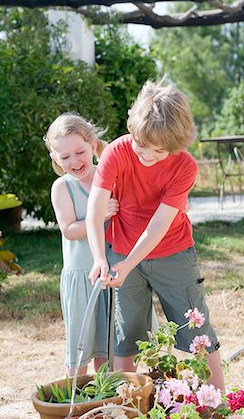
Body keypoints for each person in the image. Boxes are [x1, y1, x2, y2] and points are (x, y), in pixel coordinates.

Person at [86, 79, 225, 391]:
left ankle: (220, 409)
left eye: (158, 151)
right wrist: (100, 257)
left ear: (176, 145)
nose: (146, 155)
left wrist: (129, 263)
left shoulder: (185, 167)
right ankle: (128, 409)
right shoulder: (116, 152)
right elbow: (95, 209)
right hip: (120, 252)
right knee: (127, 335)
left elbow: (158, 226)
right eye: (140, 145)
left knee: (196, 331)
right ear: (132, 132)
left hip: (172, 254)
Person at [44, 112, 119, 376]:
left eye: (79, 152)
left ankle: (104, 403)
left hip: (111, 273)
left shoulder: (109, 178)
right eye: (64, 157)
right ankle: (76, 402)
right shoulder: (62, 187)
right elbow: (69, 230)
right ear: (55, 159)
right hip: (81, 278)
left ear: (93, 146)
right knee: (80, 346)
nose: (74, 161)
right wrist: (98, 214)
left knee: (108, 348)